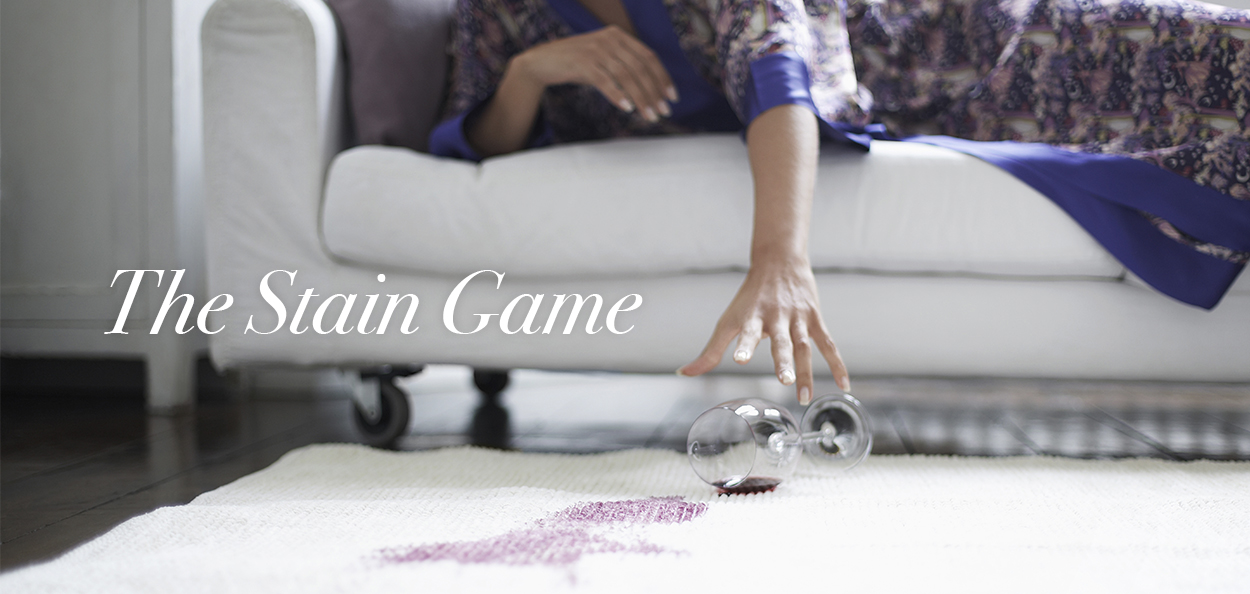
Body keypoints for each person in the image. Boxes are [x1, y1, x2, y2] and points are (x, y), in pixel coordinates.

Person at [430, 0, 1250, 403]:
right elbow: (487, 139)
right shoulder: (502, 11)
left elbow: (777, 71)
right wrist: (530, 73)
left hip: (984, 47)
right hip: (925, 117)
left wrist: (780, 258)